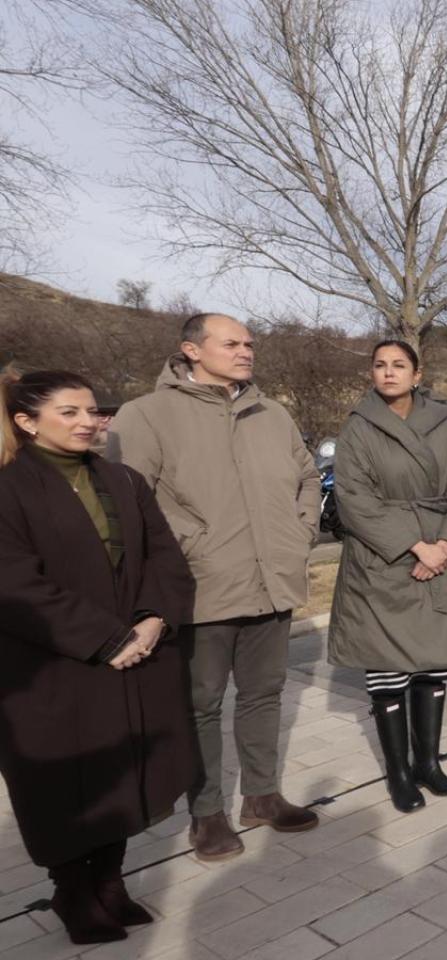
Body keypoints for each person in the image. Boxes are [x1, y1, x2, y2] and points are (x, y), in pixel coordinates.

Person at [107, 312, 321, 861]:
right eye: (232, 343)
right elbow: (130, 503)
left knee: (264, 694)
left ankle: (262, 796)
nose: (246, 351)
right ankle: (206, 814)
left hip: (273, 581)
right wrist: (190, 544)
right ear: (192, 350)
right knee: (200, 704)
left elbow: (307, 477)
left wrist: (298, 535)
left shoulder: (271, 413)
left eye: (250, 343)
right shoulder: (147, 415)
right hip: (201, 588)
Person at [0, 371, 195, 944]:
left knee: (125, 771)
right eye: (69, 412)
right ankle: (71, 891)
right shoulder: (8, 489)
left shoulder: (124, 479)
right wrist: (107, 640)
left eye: (91, 410)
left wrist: (155, 618)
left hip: (136, 657)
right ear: (27, 421)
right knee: (61, 784)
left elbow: (164, 556)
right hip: (51, 667)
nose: (88, 422)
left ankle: (110, 881)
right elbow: (13, 584)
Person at [327, 341, 447, 814]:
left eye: (399, 365)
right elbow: (354, 499)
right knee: (389, 670)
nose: (388, 373)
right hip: (384, 559)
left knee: (435, 664)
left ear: (417, 374)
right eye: (380, 365)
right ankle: (397, 772)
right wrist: (415, 545)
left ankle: (428, 763)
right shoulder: (358, 429)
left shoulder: (445, 425)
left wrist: (444, 545)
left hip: (442, 554)